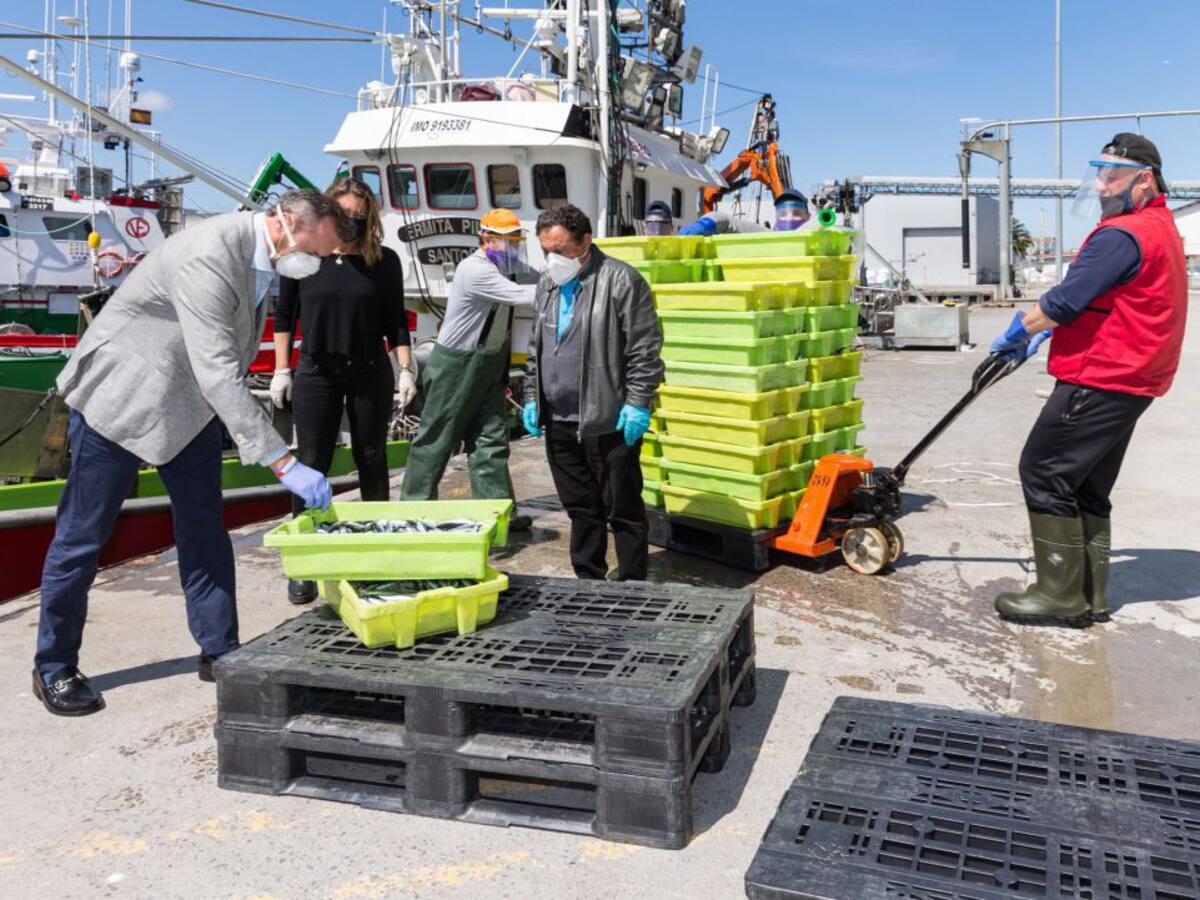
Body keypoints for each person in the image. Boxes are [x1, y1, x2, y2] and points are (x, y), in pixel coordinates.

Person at [33, 190, 351, 716]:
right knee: (82, 537)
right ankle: (54, 666)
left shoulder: (263, 260)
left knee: (204, 530)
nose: (316, 262)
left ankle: (220, 647)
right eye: (317, 249)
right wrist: (283, 461)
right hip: (123, 400)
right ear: (290, 222)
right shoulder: (210, 252)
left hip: (188, 409)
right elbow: (218, 371)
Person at [991, 133, 1188, 627]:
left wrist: (1020, 331)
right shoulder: (1159, 227)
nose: (1101, 185)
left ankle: (1058, 596)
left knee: (1044, 470)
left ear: (1144, 179)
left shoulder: (1124, 234)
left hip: (1103, 374)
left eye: (1112, 174)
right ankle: (1090, 595)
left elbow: (1065, 300)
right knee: (1086, 486)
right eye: (1099, 173)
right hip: (1134, 378)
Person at [270, 178, 416, 604]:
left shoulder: (383, 261)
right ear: (326, 213)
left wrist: (406, 369)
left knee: (371, 459)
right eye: (344, 215)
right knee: (312, 462)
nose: (351, 222)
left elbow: (396, 322)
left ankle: (373, 551)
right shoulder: (303, 258)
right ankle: (305, 563)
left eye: (359, 216)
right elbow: (284, 316)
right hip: (317, 370)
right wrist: (282, 370)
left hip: (370, 369)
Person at [521, 204, 664, 581]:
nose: (554, 259)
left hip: (607, 418)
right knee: (581, 508)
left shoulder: (621, 281)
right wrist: (532, 395)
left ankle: (632, 580)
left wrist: (637, 403)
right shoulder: (547, 283)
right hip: (559, 420)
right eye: (546, 251)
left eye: (562, 250)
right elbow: (536, 346)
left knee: (623, 509)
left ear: (586, 241)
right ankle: (588, 579)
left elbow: (644, 350)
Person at [400, 209, 536, 530]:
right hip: (456, 363)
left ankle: (499, 513)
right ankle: (412, 513)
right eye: (508, 241)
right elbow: (526, 296)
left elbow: (536, 282)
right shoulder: (475, 270)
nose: (514, 247)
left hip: (488, 362)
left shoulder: (510, 269)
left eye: (517, 241)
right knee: (436, 438)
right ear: (486, 239)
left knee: (491, 437)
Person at [678, 188, 811, 236]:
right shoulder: (767, 237)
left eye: (797, 213)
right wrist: (705, 224)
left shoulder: (818, 241)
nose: (789, 218)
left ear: (808, 217)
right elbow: (728, 221)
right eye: (783, 214)